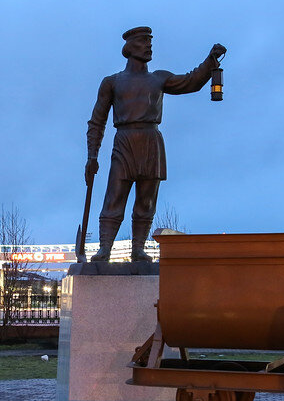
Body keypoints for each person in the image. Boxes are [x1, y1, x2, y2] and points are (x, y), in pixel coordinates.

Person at [85, 26, 226, 261]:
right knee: (114, 196)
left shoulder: (159, 79)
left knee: (146, 199)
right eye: (143, 41)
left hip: (152, 142)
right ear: (129, 48)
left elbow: (190, 81)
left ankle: (138, 249)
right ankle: (105, 248)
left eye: (150, 41)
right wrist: (92, 155)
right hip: (125, 141)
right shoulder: (112, 82)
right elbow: (97, 122)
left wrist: (210, 61)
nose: (149, 45)